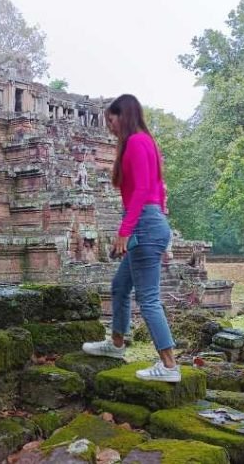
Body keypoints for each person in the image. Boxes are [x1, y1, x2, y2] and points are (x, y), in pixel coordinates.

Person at [82, 94, 179, 382]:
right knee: (120, 286)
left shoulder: (136, 142)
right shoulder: (147, 141)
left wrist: (125, 230)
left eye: (110, 120)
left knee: (148, 299)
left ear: (122, 115)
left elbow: (140, 192)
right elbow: (158, 188)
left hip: (144, 225)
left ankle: (169, 366)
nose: (109, 127)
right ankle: (116, 344)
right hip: (152, 223)